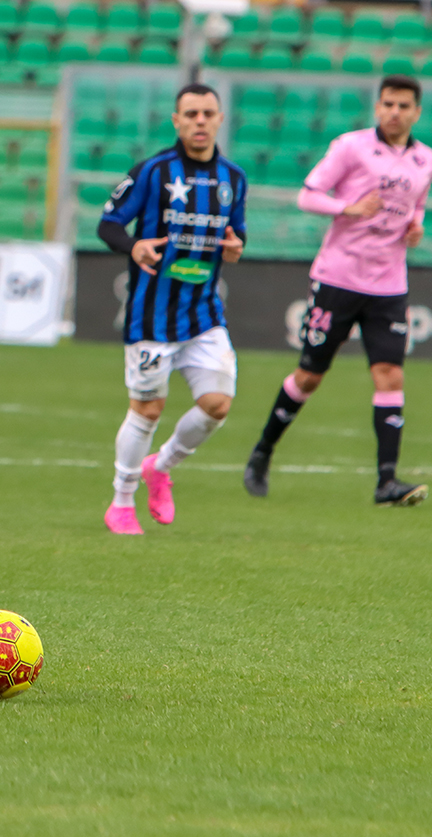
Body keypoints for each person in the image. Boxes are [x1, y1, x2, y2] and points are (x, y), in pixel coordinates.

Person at [244, 75, 432, 507]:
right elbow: (308, 196)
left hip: (389, 284)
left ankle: (386, 482)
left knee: (390, 374)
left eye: (404, 106)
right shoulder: (350, 146)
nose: (394, 112)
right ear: (377, 106)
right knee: (310, 375)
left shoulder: (426, 159)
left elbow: (417, 201)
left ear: (417, 112)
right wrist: (347, 208)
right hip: (338, 279)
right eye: (387, 104)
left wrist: (415, 224)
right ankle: (263, 450)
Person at [97, 83, 248, 535]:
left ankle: (160, 467)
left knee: (218, 404)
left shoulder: (234, 178)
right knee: (147, 410)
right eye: (191, 114)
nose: (200, 121)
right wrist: (135, 244)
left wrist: (237, 246)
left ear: (220, 119)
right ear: (176, 121)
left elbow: (235, 236)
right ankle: (121, 502)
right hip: (152, 316)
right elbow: (108, 225)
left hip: (204, 313)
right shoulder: (153, 171)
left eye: (208, 113)